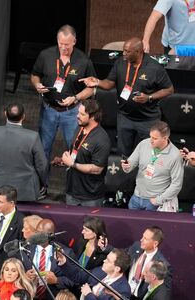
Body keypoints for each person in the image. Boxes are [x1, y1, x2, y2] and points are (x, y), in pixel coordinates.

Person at [79, 37, 175, 156]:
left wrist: (149, 97)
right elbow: (109, 83)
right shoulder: (120, 63)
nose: (124, 53)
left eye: (127, 51)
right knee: (123, 155)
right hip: (125, 117)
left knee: (146, 155)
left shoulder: (154, 67)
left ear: (139, 52)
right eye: (124, 50)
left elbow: (169, 89)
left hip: (148, 120)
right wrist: (97, 82)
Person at [30, 25, 95, 163]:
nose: (64, 48)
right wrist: (37, 85)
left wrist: (76, 98)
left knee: (74, 150)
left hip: (72, 112)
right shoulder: (46, 55)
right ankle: (43, 184)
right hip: (49, 110)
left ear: (74, 42)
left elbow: (91, 88)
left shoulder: (84, 61)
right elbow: (35, 75)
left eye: (67, 45)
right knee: (43, 149)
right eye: (61, 44)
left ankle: (72, 183)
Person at [51, 99, 110, 207]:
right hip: (72, 191)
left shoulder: (101, 139)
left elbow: (97, 169)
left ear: (92, 117)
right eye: (78, 112)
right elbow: (77, 154)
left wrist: (72, 164)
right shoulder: (79, 128)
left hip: (90, 197)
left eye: (82, 114)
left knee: (89, 224)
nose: (77, 116)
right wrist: (64, 161)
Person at [0, 103, 47, 201]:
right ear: (23, 117)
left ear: (5, 114)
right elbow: (42, 165)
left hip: (0, 186)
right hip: (26, 189)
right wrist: (43, 183)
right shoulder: (32, 137)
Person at [121, 122, 184, 212]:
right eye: (150, 136)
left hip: (155, 203)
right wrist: (126, 166)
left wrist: (157, 201)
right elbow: (130, 165)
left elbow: (176, 185)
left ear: (165, 138)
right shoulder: (143, 144)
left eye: (155, 138)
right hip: (136, 197)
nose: (151, 140)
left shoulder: (175, 155)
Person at [21, 219, 73, 299]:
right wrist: (25, 276)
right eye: (36, 232)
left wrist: (56, 280)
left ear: (50, 235)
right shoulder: (25, 249)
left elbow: (75, 280)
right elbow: (16, 273)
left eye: (40, 234)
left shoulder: (65, 253)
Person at [57, 248, 132, 300]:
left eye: (108, 261)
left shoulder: (123, 290)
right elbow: (79, 276)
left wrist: (89, 294)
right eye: (106, 258)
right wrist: (63, 261)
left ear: (117, 269)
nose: (104, 261)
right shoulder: (100, 270)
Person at [126, 226, 171, 298]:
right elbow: (122, 255)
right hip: (126, 292)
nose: (141, 240)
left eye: (145, 239)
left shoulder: (162, 265)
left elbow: (164, 291)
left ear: (155, 243)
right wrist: (104, 248)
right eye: (142, 236)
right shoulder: (136, 246)